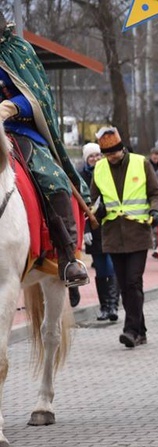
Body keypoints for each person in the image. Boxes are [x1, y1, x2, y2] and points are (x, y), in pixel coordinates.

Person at [0, 18, 89, 287]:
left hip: (21, 132)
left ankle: (67, 257)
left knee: (53, 180)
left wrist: (10, 107)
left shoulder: (18, 51)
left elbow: (37, 98)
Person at [89, 127, 158, 348]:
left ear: (122, 148)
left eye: (114, 152)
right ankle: (140, 330)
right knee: (126, 285)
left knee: (132, 281)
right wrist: (97, 210)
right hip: (112, 236)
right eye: (107, 153)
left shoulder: (141, 163)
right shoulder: (100, 169)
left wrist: (156, 211)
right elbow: (95, 199)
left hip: (138, 233)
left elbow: (156, 193)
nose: (112, 157)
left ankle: (130, 330)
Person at [79, 142, 119, 321]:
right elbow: (80, 205)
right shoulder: (80, 177)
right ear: (86, 159)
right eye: (91, 156)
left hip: (110, 225)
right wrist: (85, 228)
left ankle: (113, 305)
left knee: (111, 264)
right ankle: (104, 306)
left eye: (97, 155)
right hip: (93, 227)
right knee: (100, 267)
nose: (94, 159)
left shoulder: (109, 171)